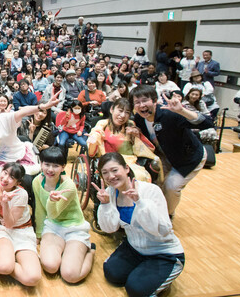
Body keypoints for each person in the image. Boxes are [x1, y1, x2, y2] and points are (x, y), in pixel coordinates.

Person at [93, 153, 185, 297]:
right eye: (105, 173)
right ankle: (145, 272)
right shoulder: (110, 193)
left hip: (163, 253)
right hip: (134, 248)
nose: (111, 176)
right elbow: (109, 228)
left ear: (126, 169)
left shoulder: (150, 190)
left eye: (115, 170)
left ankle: (164, 276)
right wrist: (105, 205)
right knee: (112, 273)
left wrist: (140, 202)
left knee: (136, 290)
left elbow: (162, 230)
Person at [130, 85, 214, 217]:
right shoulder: (139, 119)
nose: (141, 105)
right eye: (137, 102)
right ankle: (154, 212)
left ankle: (166, 216)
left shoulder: (169, 114)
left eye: (145, 100)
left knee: (171, 186)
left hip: (189, 157)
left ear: (155, 101)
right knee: (154, 183)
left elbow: (208, 123)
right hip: (165, 155)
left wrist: (182, 111)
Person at [33, 147, 95, 283]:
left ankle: (91, 252)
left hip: (74, 228)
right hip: (53, 226)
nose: (50, 169)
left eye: (56, 166)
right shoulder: (37, 181)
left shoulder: (69, 186)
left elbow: (53, 213)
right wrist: (39, 235)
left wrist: (51, 201)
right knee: (50, 266)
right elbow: (40, 210)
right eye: (47, 164)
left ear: (63, 167)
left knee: (70, 275)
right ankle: (67, 252)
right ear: (41, 164)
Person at [0, 90, 59, 179]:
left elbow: (23, 111)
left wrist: (42, 106)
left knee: (26, 181)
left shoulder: (5, 118)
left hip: (19, 159)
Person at [0, 163, 41, 287]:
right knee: (3, 267)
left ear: (18, 182)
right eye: (5, 173)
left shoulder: (21, 194)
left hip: (23, 232)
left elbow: (10, 223)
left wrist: (5, 203)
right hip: (4, 231)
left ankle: (7, 260)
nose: (5, 178)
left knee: (33, 278)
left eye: (12, 177)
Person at [87, 98, 158, 182]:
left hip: (130, 161)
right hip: (109, 160)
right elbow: (96, 132)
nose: (123, 115)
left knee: (141, 175)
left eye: (127, 112)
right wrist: (94, 138)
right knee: (123, 175)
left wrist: (137, 134)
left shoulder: (131, 124)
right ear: (112, 109)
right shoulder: (103, 123)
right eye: (120, 111)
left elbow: (140, 144)